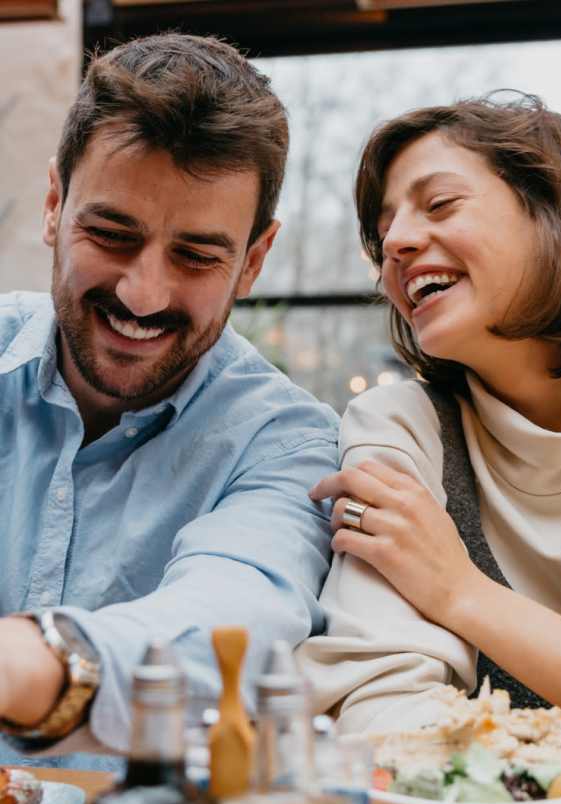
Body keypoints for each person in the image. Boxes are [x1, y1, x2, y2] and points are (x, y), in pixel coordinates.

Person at [0, 33, 338, 764]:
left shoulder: (287, 444)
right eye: (112, 234)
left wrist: (26, 663)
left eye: (196, 255)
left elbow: (228, 628)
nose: (142, 294)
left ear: (252, 260)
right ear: (55, 206)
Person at [297, 93, 561, 752]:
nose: (396, 244)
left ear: (558, 215)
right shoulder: (398, 428)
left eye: (439, 204)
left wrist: (463, 593)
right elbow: (376, 718)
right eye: (383, 230)